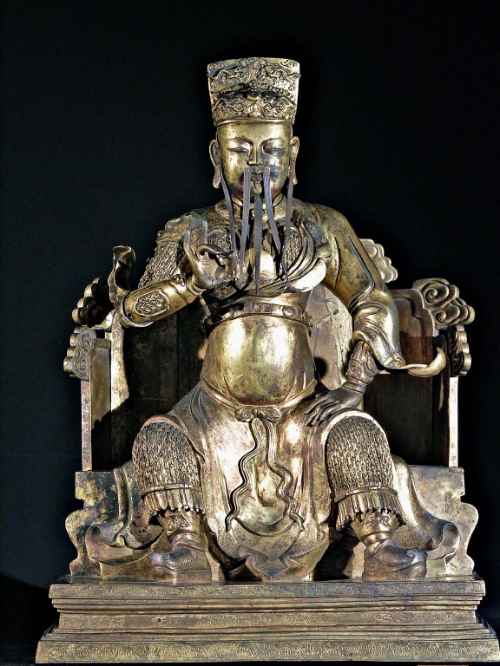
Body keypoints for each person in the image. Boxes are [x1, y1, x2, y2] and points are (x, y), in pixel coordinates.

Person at [91, 58, 428, 582]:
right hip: (213, 410)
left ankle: (378, 542)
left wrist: (353, 386)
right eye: (240, 150)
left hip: (302, 407)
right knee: (160, 440)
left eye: (271, 150)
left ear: (293, 154)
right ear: (215, 154)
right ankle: (185, 542)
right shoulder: (193, 229)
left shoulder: (321, 226)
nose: (257, 164)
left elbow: (373, 299)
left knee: (354, 434)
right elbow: (135, 310)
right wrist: (191, 284)